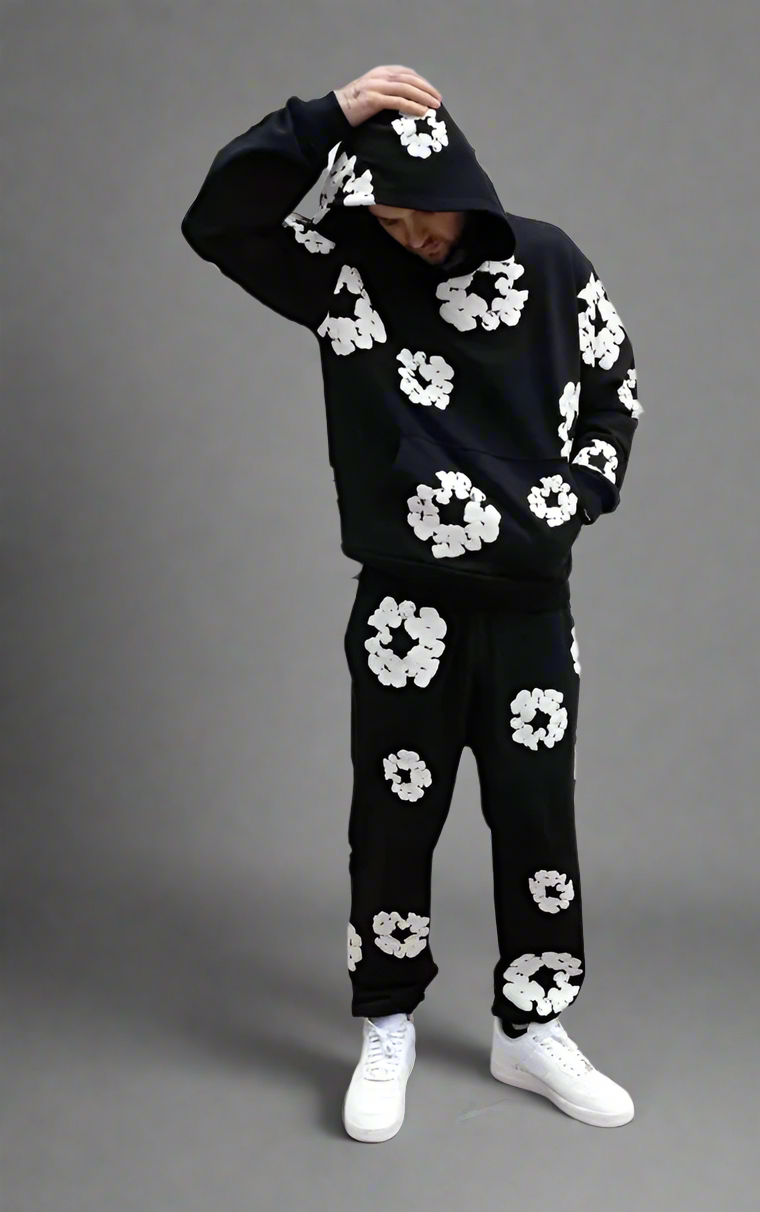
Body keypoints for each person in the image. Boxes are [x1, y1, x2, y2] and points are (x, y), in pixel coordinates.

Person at [181, 64, 643, 1143]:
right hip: (406, 613)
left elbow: (615, 387)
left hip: (529, 608)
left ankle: (533, 1024)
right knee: (394, 819)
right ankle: (386, 1019)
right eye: (388, 220)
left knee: (537, 816)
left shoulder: (549, 261)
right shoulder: (349, 276)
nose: (415, 237)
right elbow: (220, 219)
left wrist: (566, 505)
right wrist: (325, 118)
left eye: (423, 214)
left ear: (464, 189)